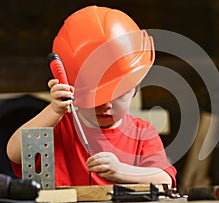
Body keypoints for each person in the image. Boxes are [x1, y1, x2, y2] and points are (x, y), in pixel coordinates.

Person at [6, 5, 176, 187]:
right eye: (97, 98)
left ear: (135, 90)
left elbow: (164, 178)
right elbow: (14, 152)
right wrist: (54, 110)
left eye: (118, 95)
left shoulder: (142, 133)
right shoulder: (60, 127)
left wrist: (122, 171)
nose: (106, 106)